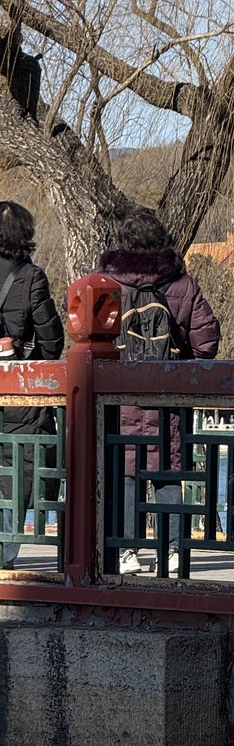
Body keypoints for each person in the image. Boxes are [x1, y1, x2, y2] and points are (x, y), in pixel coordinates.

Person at [98, 208, 220, 577]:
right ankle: (173, 551)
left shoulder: (105, 284)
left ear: (122, 243)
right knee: (167, 470)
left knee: (126, 472)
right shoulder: (182, 285)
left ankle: (126, 551)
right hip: (167, 399)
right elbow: (207, 344)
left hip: (120, 397)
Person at [0, 201, 64, 568]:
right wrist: (24, 354)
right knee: (17, 468)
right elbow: (53, 342)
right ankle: (6, 553)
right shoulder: (31, 277)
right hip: (19, 391)